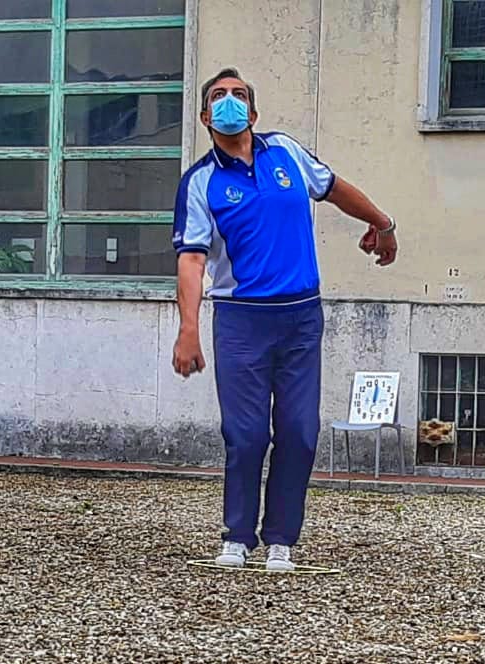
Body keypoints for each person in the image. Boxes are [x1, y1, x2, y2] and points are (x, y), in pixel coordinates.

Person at [171, 68, 398, 572]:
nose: (230, 103)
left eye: (239, 95)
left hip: (299, 317)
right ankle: (237, 536)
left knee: (298, 431)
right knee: (246, 433)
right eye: (219, 97)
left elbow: (334, 187)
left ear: (253, 112)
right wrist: (189, 328)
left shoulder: (288, 154)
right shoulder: (200, 182)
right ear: (206, 116)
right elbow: (191, 258)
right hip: (240, 320)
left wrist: (381, 223)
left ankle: (281, 539)